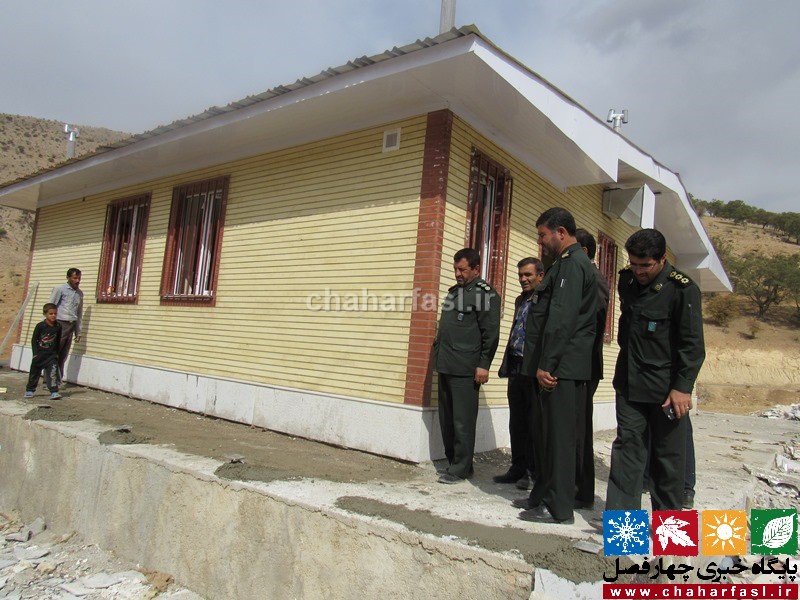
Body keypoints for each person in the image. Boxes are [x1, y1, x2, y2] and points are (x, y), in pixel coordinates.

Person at [605, 228, 705, 511]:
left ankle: (670, 529)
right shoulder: (627, 281)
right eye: (634, 263)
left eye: (645, 265)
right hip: (629, 384)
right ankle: (625, 528)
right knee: (627, 453)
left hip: (666, 389)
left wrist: (682, 387)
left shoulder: (682, 289)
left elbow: (692, 345)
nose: (638, 271)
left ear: (662, 259)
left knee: (668, 460)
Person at [515, 208, 597, 524]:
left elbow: (562, 319)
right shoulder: (561, 264)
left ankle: (559, 508)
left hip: (562, 368)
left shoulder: (573, 265)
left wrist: (547, 364)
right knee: (546, 437)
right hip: (555, 365)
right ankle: (543, 496)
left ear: (561, 232)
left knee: (559, 440)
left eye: (542, 235)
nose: (540, 241)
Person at [434, 248, 501, 484]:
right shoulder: (454, 293)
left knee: (462, 421)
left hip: (466, 367)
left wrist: (484, 364)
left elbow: (491, 334)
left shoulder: (486, 295)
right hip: (446, 363)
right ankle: (455, 462)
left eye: (462, 269)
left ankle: (460, 469)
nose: (457, 274)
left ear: (476, 269)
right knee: (447, 419)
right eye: (455, 269)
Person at [494, 257, 545, 490]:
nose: (523, 279)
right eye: (520, 275)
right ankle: (517, 468)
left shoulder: (545, 300)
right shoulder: (520, 300)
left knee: (534, 422)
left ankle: (533, 473)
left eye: (528, 275)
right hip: (516, 365)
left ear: (540, 276)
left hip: (533, 367)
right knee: (517, 420)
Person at [573, 229, 610, 509]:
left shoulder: (594, 279)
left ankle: (581, 491)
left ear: (584, 252)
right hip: (573, 367)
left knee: (578, 432)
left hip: (582, 368)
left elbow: (591, 327)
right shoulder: (578, 277)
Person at [49, 268, 84, 383]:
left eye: (79, 278)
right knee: (54, 353)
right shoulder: (60, 289)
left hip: (71, 325)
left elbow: (79, 313)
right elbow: (51, 307)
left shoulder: (79, 294)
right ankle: (49, 380)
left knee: (63, 354)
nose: (77, 281)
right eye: (75, 278)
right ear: (68, 278)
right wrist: (49, 327)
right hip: (59, 324)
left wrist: (78, 331)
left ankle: (57, 380)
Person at [25, 303, 62, 400]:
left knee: (52, 373)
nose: (53, 315)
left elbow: (58, 341)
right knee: (34, 373)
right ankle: (30, 390)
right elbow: (34, 340)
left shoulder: (58, 326)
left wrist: (57, 354)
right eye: (51, 313)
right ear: (45, 314)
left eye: (55, 313)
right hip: (40, 354)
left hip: (51, 355)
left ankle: (54, 392)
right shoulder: (40, 326)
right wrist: (35, 354)